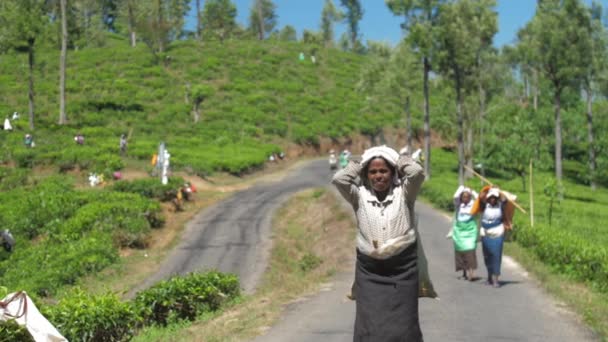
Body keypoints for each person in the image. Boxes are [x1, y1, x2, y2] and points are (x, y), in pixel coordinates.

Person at [332, 145, 436, 342]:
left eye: (383, 170)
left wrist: (398, 160)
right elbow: (339, 179)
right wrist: (361, 163)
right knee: (369, 324)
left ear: (393, 172)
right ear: (366, 174)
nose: (378, 176)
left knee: (404, 326)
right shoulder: (358, 195)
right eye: (373, 171)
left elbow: (417, 173)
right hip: (369, 270)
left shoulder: (405, 193)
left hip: (403, 269)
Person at [471, 186, 515, 288]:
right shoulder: (484, 206)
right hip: (486, 234)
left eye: (494, 198)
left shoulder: (501, 206)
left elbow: (507, 199)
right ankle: (489, 277)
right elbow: (480, 196)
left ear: (497, 198)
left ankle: (495, 279)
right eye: (491, 197)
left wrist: (499, 191)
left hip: (497, 233)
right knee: (487, 256)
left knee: (496, 256)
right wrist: (488, 188)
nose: (492, 199)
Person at [451, 185, 479, 281]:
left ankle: (471, 272)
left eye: (467, 196)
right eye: (464, 196)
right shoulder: (459, 205)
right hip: (459, 230)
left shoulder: (473, 205)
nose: (465, 198)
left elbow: (479, 199)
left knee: (470, 250)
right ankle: (464, 272)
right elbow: (455, 197)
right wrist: (462, 187)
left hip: (470, 230)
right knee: (460, 251)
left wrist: (473, 191)